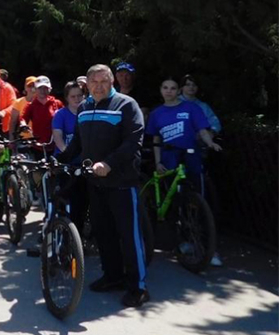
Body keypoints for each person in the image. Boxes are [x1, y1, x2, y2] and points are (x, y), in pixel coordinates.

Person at [58, 64, 149, 308]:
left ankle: (138, 287)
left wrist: (109, 163)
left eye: (104, 81)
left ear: (111, 82)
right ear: (87, 84)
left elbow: (134, 141)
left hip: (121, 182)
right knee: (104, 232)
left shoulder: (126, 105)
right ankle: (113, 276)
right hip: (94, 183)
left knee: (129, 236)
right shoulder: (84, 108)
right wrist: (59, 160)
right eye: (94, 82)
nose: (99, 86)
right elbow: (78, 144)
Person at [148, 77, 223, 266]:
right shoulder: (156, 113)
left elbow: (203, 130)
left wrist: (210, 143)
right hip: (169, 158)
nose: (169, 91)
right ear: (160, 90)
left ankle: (208, 248)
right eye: (165, 87)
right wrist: (157, 162)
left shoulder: (191, 108)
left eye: (173, 88)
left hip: (191, 155)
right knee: (174, 201)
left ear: (178, 90)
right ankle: (181, 242)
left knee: (199, 200)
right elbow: (156, 140)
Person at [51, 81, 88, 237]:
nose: (77, 99)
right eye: (73, 96)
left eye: (80, 95)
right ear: (66, 98)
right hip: (66, 162)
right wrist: (68, 154)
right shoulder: (61, 115)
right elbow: (58, 137)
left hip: (85, 163)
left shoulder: (87, 113)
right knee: (70, 198)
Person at [21, 76, 63, 148]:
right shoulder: (31, 105)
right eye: (40, 88)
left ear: (50, 89)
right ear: (35, 89)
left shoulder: (57, 103)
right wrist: (23, 125)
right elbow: (23, 118)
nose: (43, 91)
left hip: (56, 144)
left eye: (45, 88)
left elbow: (65, 117)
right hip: (38, 145)